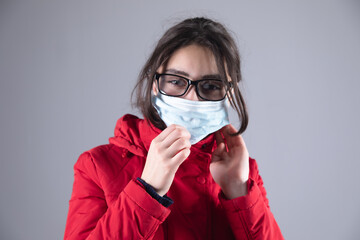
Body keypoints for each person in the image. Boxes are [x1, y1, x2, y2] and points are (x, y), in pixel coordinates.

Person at [64, 17, 284, 240]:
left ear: (229, 93)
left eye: (210, 86)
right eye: (177, 81)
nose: (192, 98)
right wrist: (147, 189)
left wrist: (239, 191)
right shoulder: (97, 166)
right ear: (155, 84)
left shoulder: (243, 171)